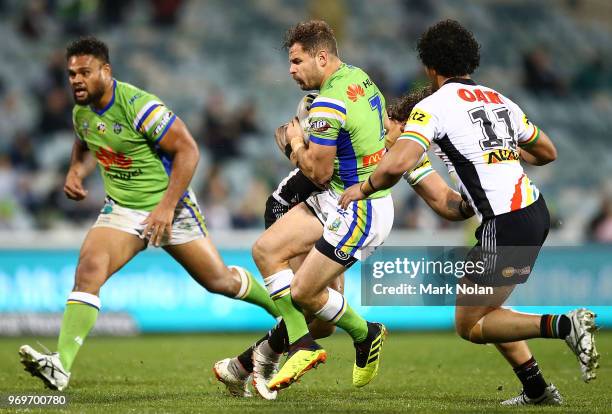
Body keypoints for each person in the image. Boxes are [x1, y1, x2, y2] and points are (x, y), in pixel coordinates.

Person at [339, 20, 599, 406]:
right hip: (533, 211)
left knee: (471, 323)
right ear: (470, 61)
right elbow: (548, 151)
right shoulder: (499, 100)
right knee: (488, 309)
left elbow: (396, 165)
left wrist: (362, 189)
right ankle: (538, 390)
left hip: (506, 221)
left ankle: (564, 325)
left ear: (430, 67)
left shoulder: (432, 106)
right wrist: (504, 155)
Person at [18, 36, 279, 391]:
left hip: (170, 205)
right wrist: (75, 171)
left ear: (106, 71)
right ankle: (60, 365)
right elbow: (85, 140)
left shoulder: (140, 106)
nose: (76, 80)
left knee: (219, 281)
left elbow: (188, 150)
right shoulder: (81, 110)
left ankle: (283, 312)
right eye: (71, 74)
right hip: (123, 208)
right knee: (89, 270)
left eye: (85, 72)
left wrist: (166, 208)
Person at [214, 86, 475, 399]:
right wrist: (296, 142)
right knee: (306, 299)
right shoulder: (364, 128)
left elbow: (441, 200)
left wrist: (471, 202)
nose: (424, 141)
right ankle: (266, 358)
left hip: (336, 214)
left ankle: (243, 366)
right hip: (295, 207)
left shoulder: (405, 149)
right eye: (423, 131)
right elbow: (311, 162)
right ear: (403, 123)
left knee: (322, 319)